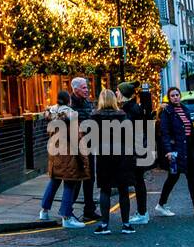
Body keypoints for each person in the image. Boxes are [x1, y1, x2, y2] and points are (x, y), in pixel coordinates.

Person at [156, 85, 194, 217]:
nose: (175, 97)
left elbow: (189, 131)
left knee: (192, 178)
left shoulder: (185, 110)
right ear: (169, 98)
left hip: (188, 149)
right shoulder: (167, 112)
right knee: (173, 177)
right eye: (172, 96)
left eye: (177, 95)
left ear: (180, 96)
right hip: (176, 150)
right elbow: (165, 133)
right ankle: (161, 205)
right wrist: (168, 151)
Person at [37, 91, 87, 229]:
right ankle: (67, 217)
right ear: (68, 101)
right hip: (69, 155)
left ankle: (44, 211)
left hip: (54, 154)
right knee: (69, 184)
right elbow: (76, 138)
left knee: (54, 181)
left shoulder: (51, 114)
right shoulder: (71, 115)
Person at [91, 88, 137, 235]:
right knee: (123, 190)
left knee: (105, 189)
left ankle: (104, 225)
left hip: (104, 156)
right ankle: (126, 224)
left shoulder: (95, 116)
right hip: (122, 155)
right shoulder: (122, 115)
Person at [118, 81, 152, 225]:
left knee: (138, 181)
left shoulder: (130, 109)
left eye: (118, 91)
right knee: (138, 181)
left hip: (135, 149)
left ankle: (142, 213)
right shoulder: (133, 107)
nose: (116, 93)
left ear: (124, 94)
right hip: (138, 148)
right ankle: (142, 212)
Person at [69, 77, 101, 221]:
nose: (87, 90)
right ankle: (68, 210)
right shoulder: (69, 104)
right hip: (76, 147)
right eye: (83, 88)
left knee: (90, 178)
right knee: (76, 179)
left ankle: (89, 210)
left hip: (89, 145)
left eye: (87, 87)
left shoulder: (88, 102)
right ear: (75, 89)